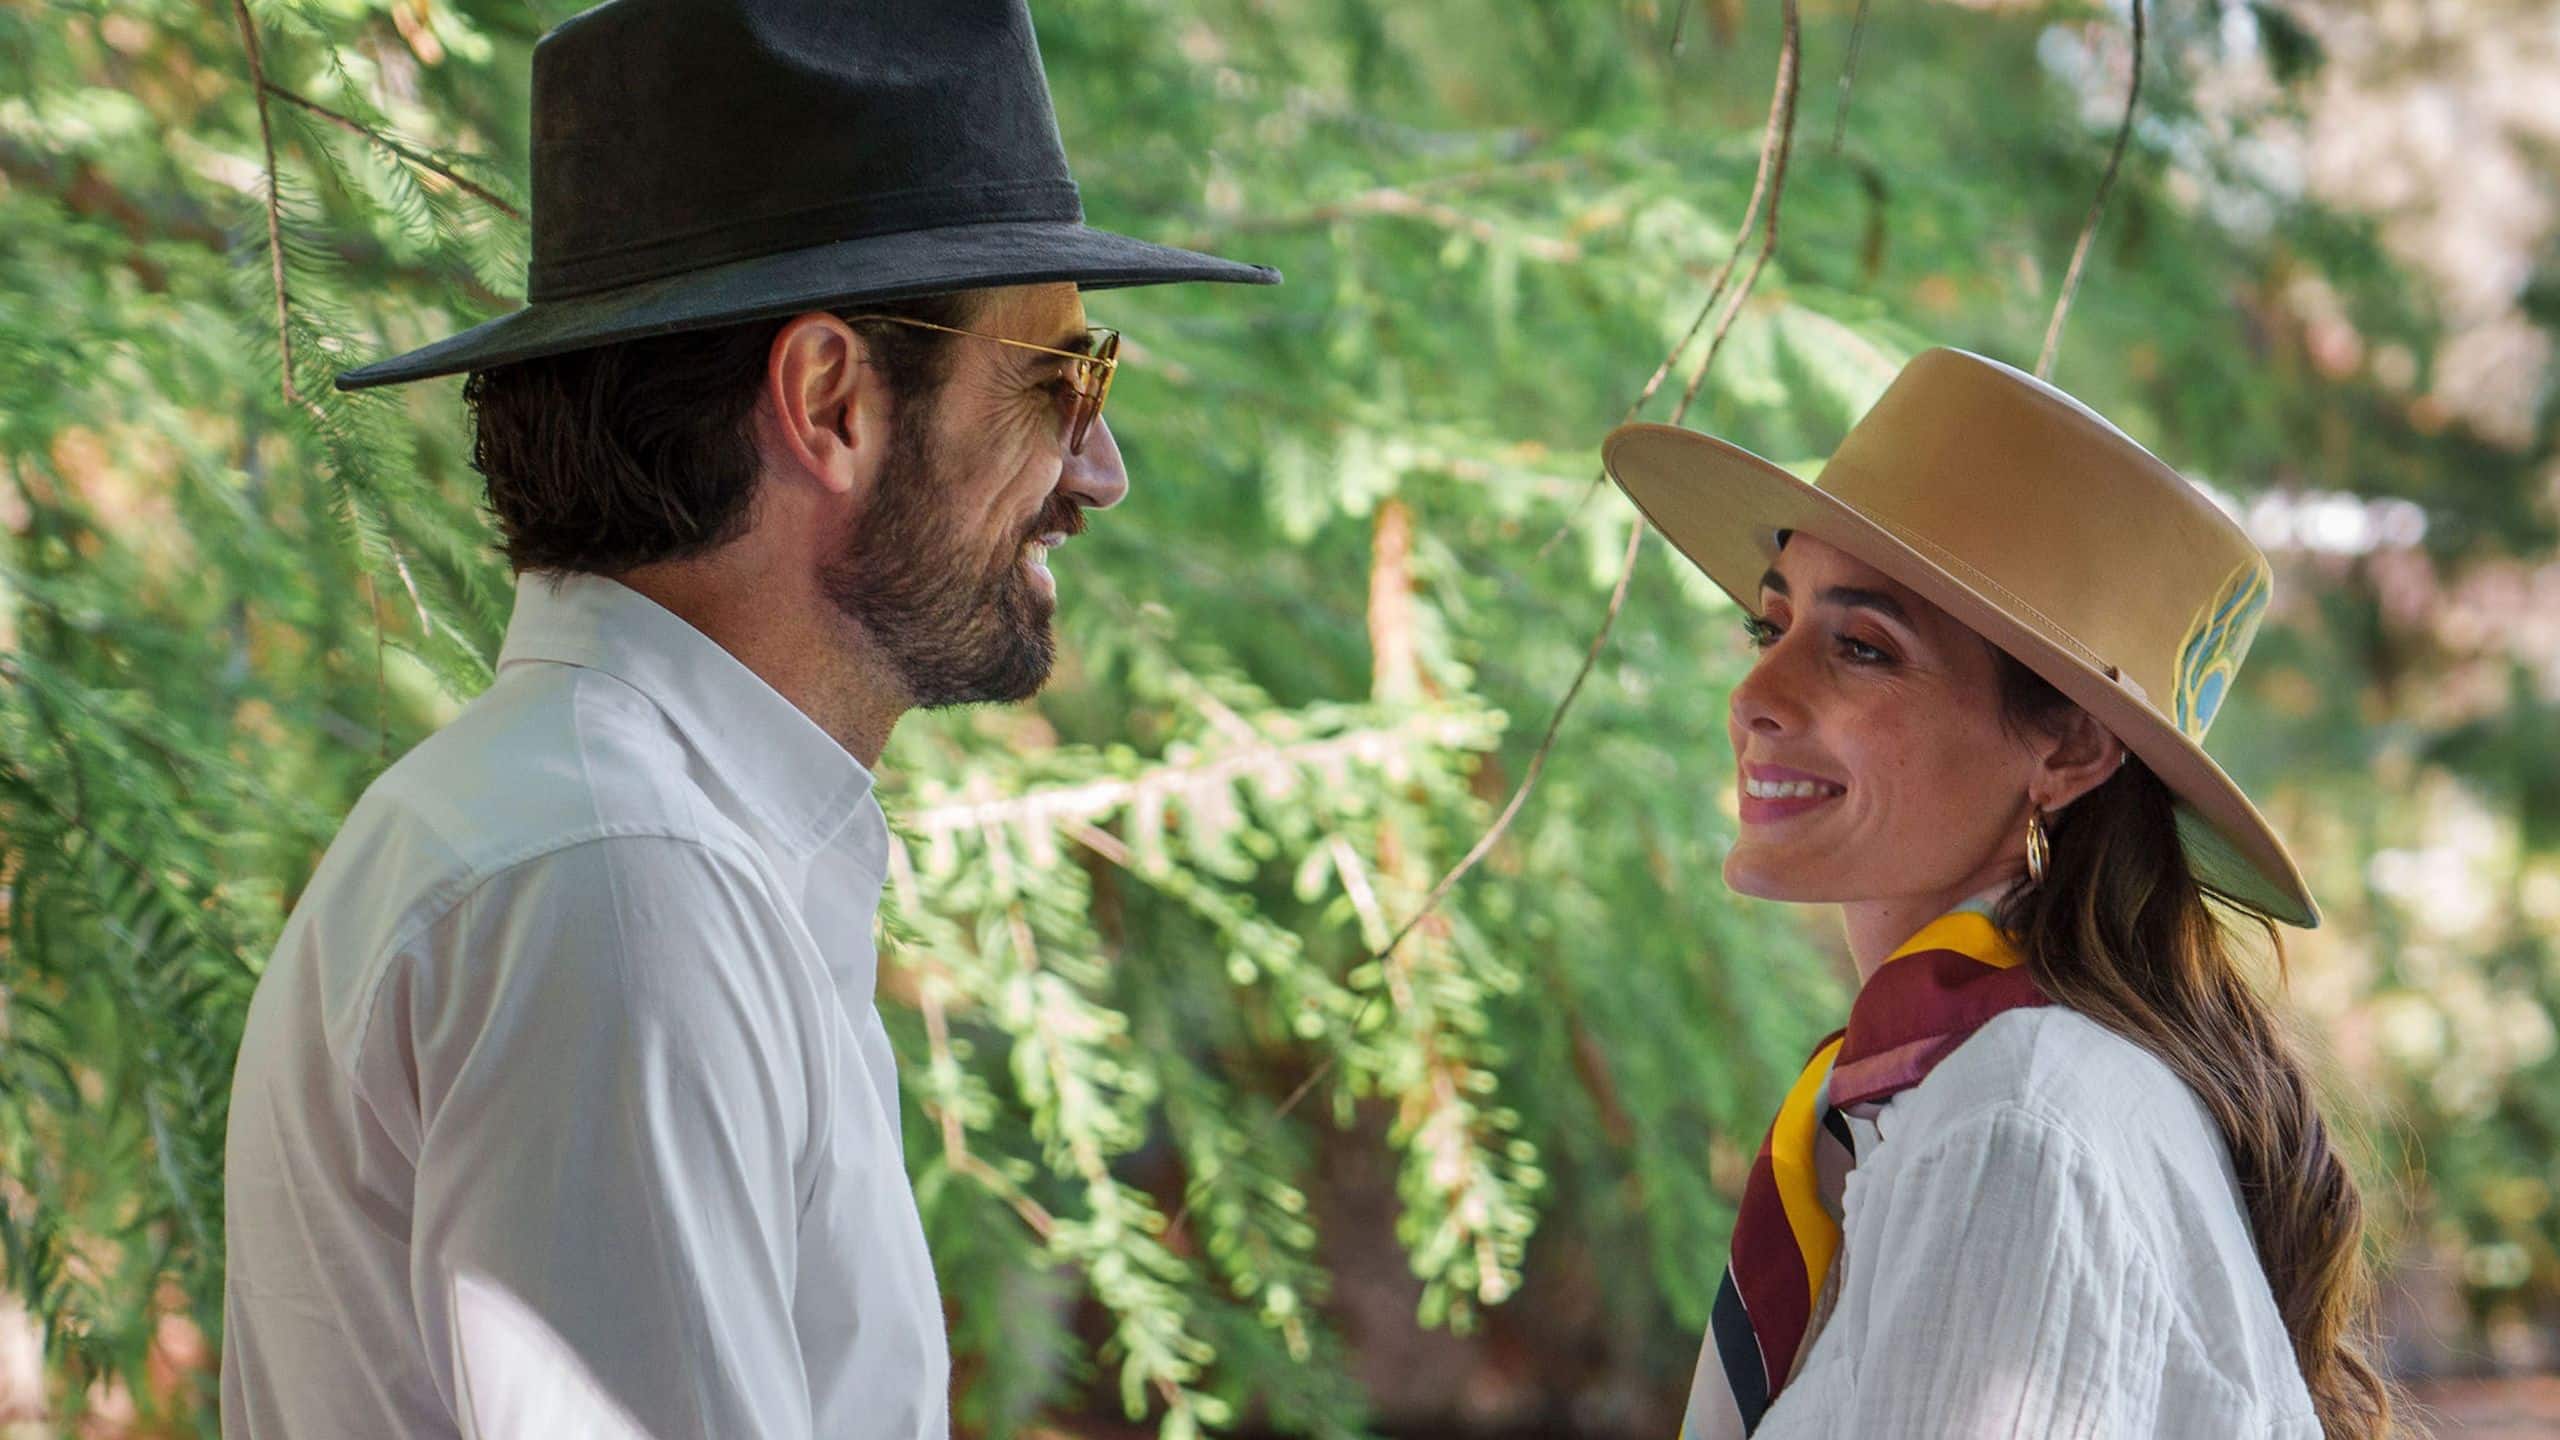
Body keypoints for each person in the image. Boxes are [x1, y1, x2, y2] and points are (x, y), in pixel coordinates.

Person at [217, 2, 1275, 1436]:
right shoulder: (626, 876)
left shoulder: (594, 834)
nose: (1101, 470)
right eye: (1060, 379)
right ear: (831, 401)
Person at [1601, 348, 2393, 1439]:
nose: (1755, 696)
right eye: (1769, 625)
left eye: (1863, 648)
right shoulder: (1962, 1094)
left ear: (2069, 745)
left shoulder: (2013, 1126)